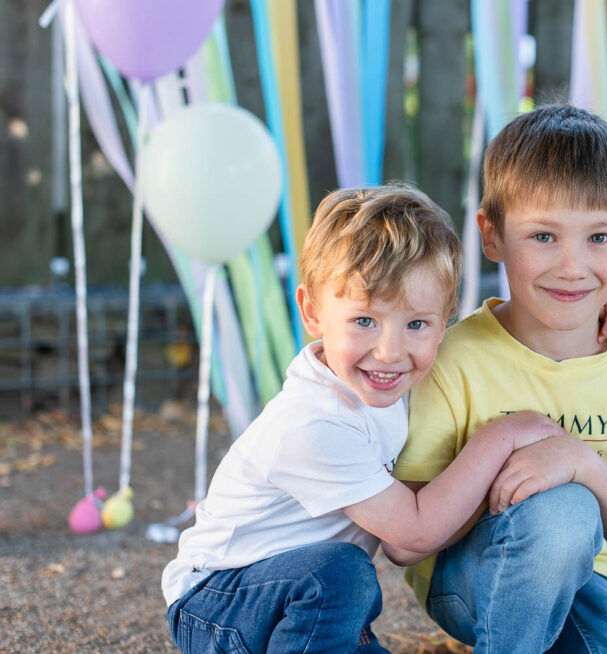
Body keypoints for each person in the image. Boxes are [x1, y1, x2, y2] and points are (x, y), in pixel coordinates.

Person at [161, 186, 572, 653]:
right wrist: (501, 436)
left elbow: (493, 345)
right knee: (343, 573)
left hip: (308, 601)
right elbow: (415, 531)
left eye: (416, 324)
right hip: (219, 603)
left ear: (443, 325)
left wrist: (602, 312)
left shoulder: (384, 381)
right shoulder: (314, 424)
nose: (390, 352)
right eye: (364, 321)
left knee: (340, 577)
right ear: (312, 312)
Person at [390, 105, 607, 653]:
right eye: (543, 236)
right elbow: (406, 541)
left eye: (599, 237)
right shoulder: (453, 357)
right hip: (470, 577)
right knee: (561, 514)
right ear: (492, 236)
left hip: (597, 580)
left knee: (574, 513)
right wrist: (510, 475)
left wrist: (580, 464)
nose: (572, 267)